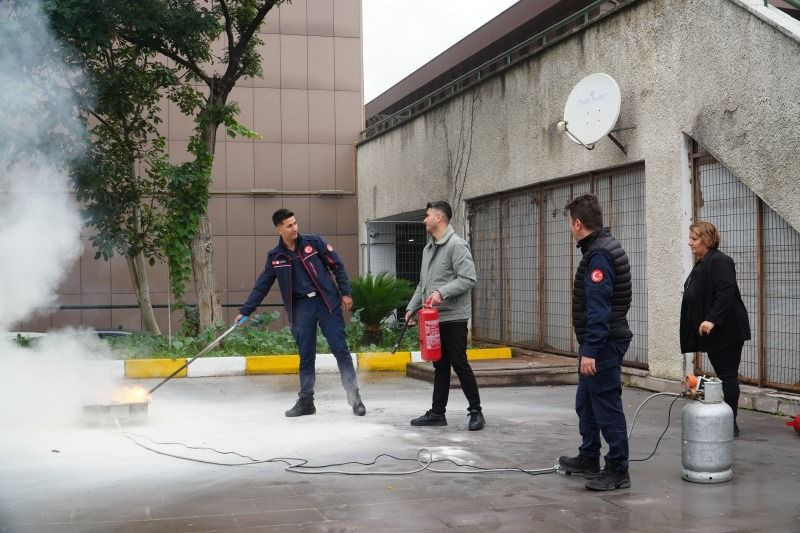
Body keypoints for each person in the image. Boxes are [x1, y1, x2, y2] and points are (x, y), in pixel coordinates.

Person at [235, 208, 366, 417]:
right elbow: (262, 286)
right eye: (289, 225)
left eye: (295, 223)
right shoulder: (275, 257)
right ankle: (306, 402)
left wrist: (346, 293)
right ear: (279, 229)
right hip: (301, 308)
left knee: (340, 349)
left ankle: (354, 396)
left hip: (326, 303)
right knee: (306, 355)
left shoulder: (314, 243)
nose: (294, 228)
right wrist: (245, 311)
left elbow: (337, 266)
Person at [558, 194, 633, 491]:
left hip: (603, 343)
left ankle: (618, 469)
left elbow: (599, 308)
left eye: (569, 223)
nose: (570, 228)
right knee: (586, 402)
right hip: (599, 341)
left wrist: (590, 350)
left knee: (606, 405)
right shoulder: (600, 248)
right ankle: (589, 456)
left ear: (578, 223)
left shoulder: (599, 255)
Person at [405, 201, 484, 431]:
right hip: (433, 318)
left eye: (427, 215)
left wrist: (442, 292)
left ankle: (476, 412)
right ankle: (437, 413)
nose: (424, 220)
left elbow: (469, 278)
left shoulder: (457, 246)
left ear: (438, 218)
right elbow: (423, 284)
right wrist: (412, 308)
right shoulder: (428, 249)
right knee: (440, 366)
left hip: (454, 317)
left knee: (459, 364)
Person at [680, 221, 750, 437]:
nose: (689, 242)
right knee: (724, 374)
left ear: (707, 240)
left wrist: (712, 319)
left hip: (726, 330)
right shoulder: (703, 262)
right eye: (690, 238)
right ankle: (727, 420)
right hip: (716, 332)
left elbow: (726, 292)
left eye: (694, 238)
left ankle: (729, 424)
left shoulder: (720, 261)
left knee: (728, 375)